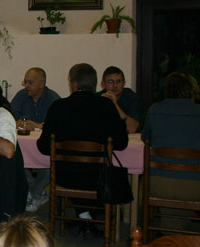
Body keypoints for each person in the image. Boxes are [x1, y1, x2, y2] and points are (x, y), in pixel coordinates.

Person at [38, 64, 128, 234]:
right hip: (98, 177)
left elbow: (43, 147)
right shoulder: (106, 106)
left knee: (75, 171)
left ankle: (84, 216)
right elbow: (122, 143)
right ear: (95, 84)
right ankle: (88, 216)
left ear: (74, 84)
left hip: (65, 176)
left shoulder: (58, 107)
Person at [141, 72, 200, 229]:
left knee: (165, 184)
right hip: (193, 187)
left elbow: (145, 138)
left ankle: (169, 230)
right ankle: (174, 230)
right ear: (192, 90)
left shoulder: (154, 109)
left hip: (158, 184)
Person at [10, 68, 60, 212]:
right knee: (15, 159)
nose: (26, 86)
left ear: (42, 84)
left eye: (30, 83)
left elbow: (58, 125)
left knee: (51, 165)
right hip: (25, 145)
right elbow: (11, 118)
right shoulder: (21, 96)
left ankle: (34, 194)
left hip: (45, 146)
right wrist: (20, 123)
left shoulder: (53, 99)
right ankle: (38, 193)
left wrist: (38, 125)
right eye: (25, 82)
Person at [99, 66, 141, 133]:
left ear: (124, 83)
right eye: (110, 81)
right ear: (103, 84)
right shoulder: (98, 98)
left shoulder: (131, 98)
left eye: (118, 81)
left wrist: (115, 105)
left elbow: (132, 129)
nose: (115, 85)